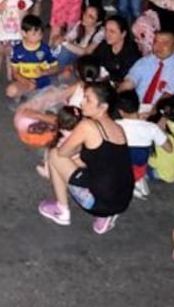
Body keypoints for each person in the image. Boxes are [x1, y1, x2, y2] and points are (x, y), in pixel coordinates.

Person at [38, 82, 133, 235]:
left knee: (54, 154)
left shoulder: (87, 126)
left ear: (103, 107)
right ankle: (105, 217)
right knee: (94, 170)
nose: (82, 102)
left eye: (87, 99)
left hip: (98, 202)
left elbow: (63, 153)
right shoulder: (118, 127)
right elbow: (104, 161)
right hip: (122, 200)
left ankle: (61, 211)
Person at [119, 30, 174, 114]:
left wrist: (150, 115)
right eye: (156, 42)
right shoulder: (147, 60)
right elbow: (129, 82)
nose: (159, 47)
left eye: (165, 43)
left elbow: (167, 97)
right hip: (136, 108)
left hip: (162, 111)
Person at [5, 15, 59, 101]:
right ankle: (29, 94)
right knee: (10, 91)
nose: (38, 36)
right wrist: (26, 81)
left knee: (50, 93)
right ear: (24, 33)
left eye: (40, 34)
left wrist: (44, 72)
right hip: (24, 80)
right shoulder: (17, 50)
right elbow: (15, 73)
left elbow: (55, 67)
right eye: (34, 34)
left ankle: (30, 95)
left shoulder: (45, 49)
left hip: (42, 81)